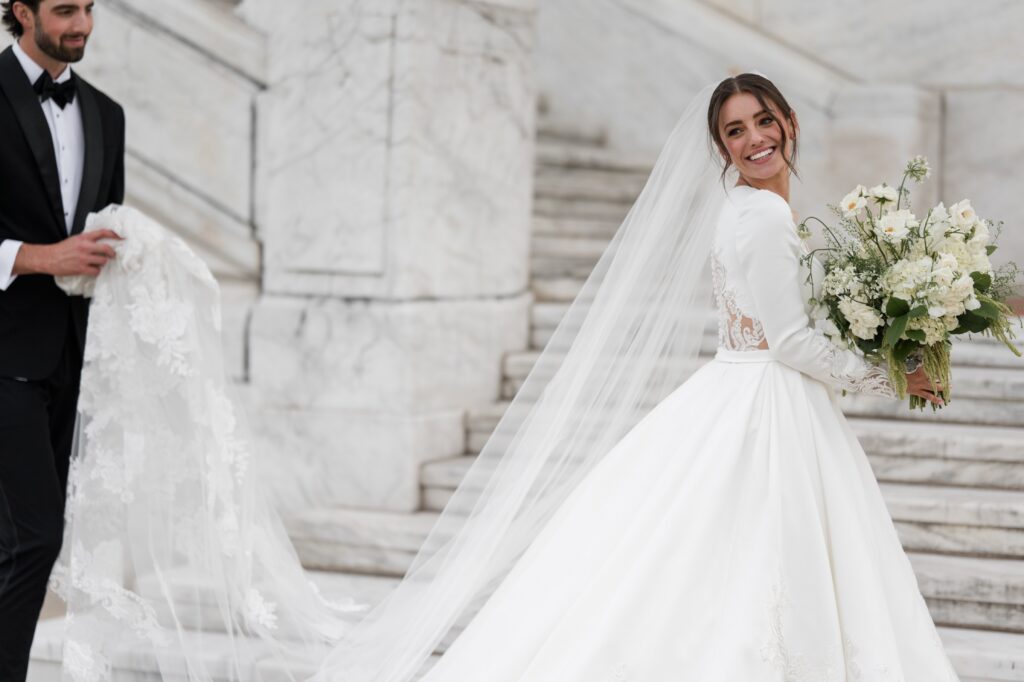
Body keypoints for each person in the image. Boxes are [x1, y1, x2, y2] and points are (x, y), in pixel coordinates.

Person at [315, 74, 960, 680]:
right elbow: (789, 343)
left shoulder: (742, 206)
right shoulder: (763, 215)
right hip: (768, 402)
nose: (755, 138)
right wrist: (891, 377)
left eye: (764, 121)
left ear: (790, 122)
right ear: (721, 146)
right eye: (735, 131)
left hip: (739, 389)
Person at [0, 0, 124, 679]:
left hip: (70, 363)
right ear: (21, 11)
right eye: (65, 9)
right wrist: (40, 257)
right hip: (2, 360)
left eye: (89, 8)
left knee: (16, 543)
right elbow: (53, 250)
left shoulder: (108, 114)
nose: (82, 24)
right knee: (33, 539)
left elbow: (108, 227)